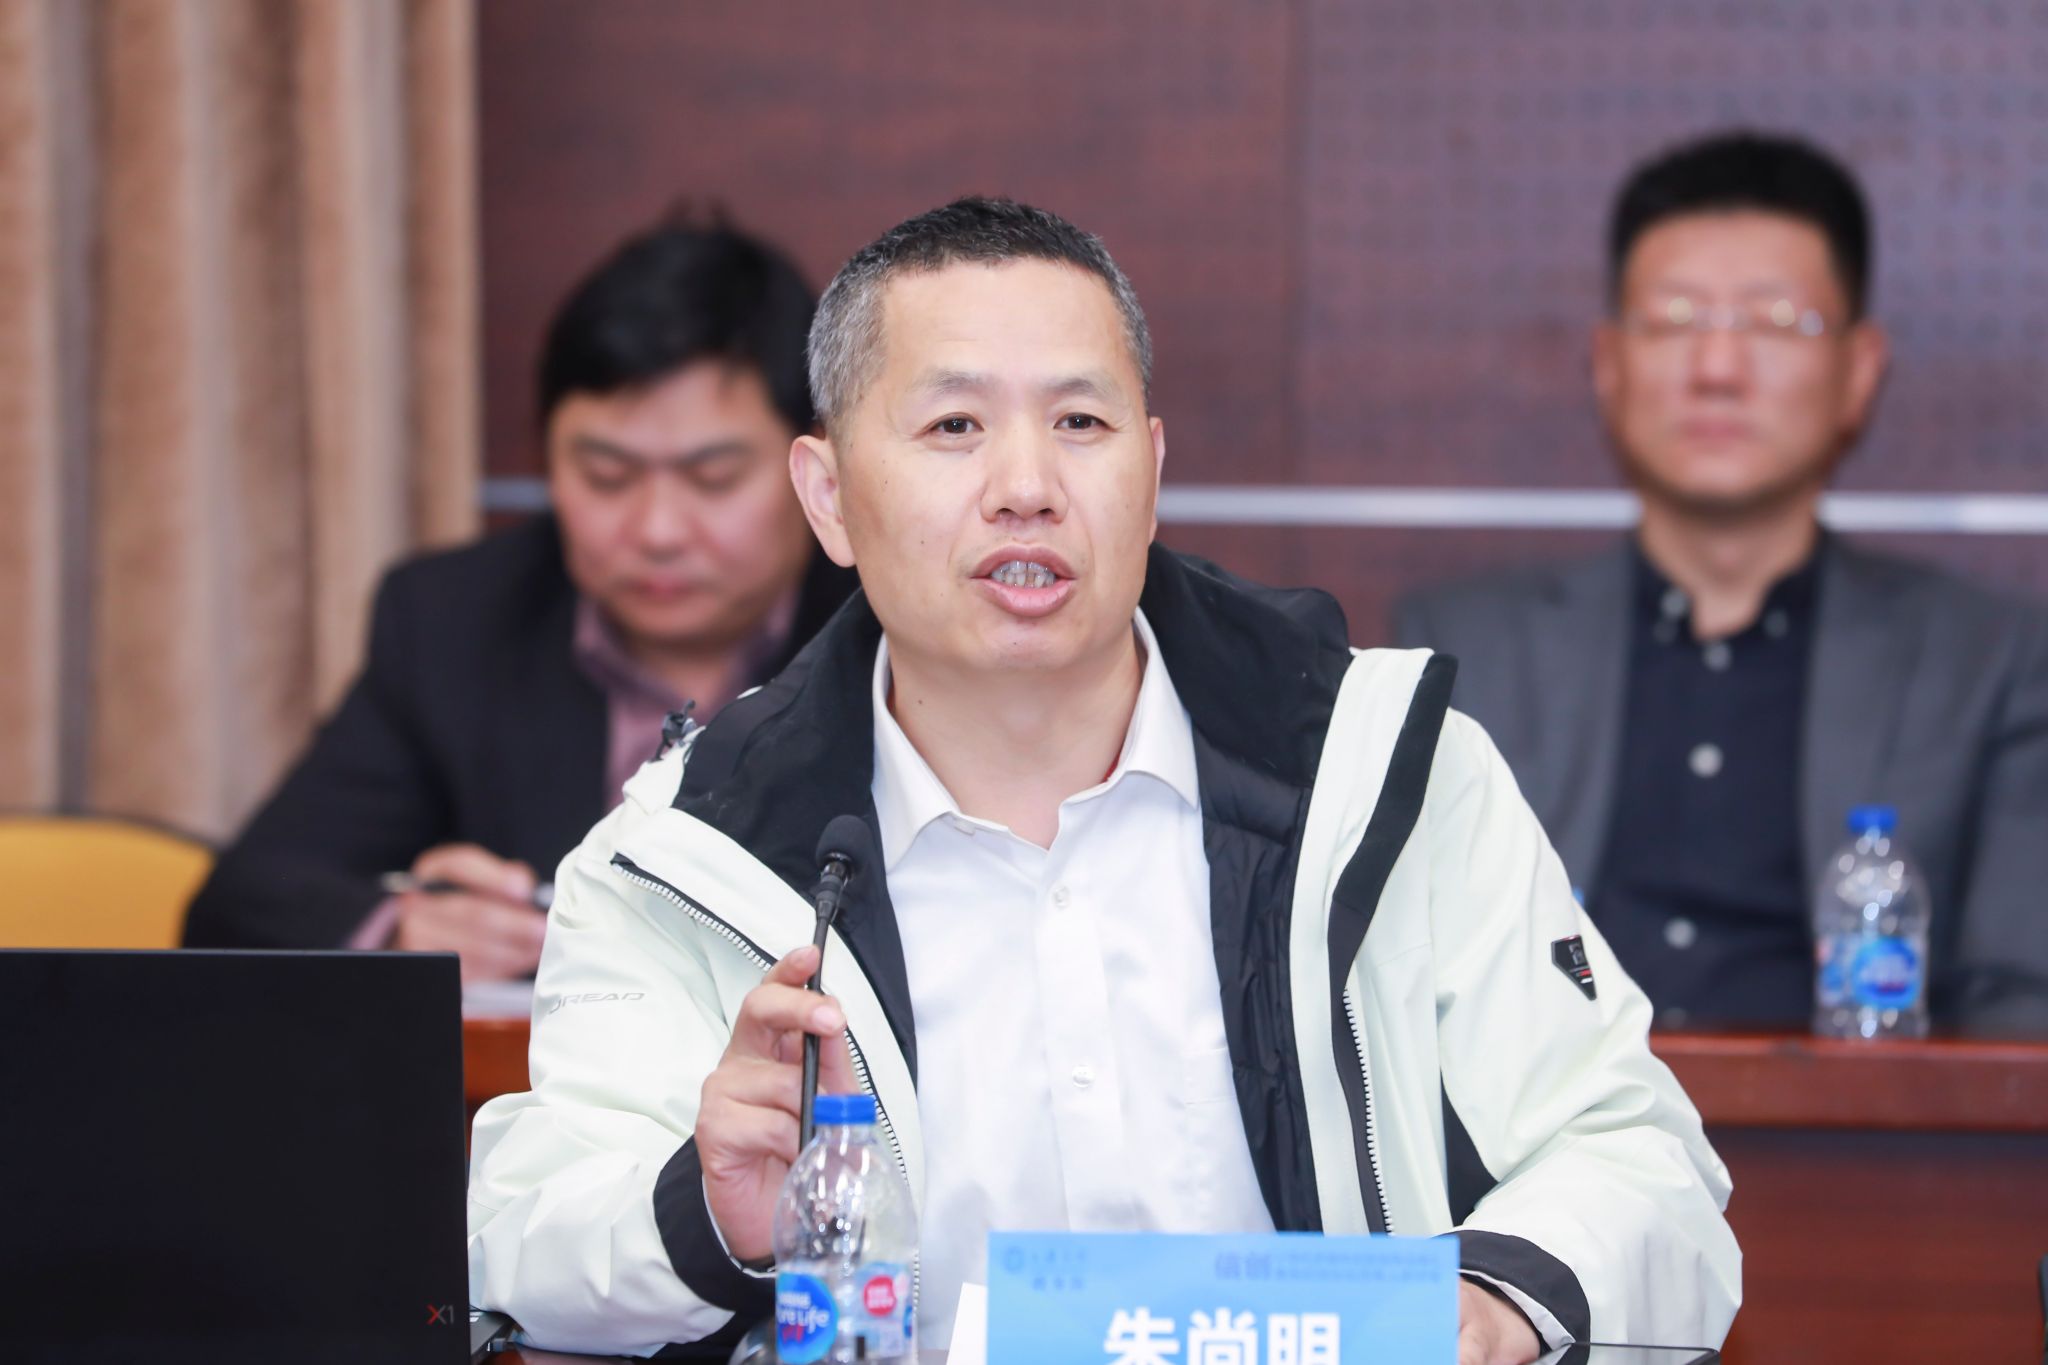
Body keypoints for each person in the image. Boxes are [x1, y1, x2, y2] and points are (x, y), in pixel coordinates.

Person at [467, 198, 1739, 1362]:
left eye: (1079, 424)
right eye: (953, 427)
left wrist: (1492, 1302)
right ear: (830, 497)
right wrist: (706, 1215)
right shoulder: (689, 856)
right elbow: (518, 1245)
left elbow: (1638, 1163)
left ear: (1150, 470)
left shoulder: (1383, 778)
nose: (1026, 488)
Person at [1395, 131, 2048, 1035]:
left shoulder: (1988, 661)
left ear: (1860, 370)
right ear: (1608, 365)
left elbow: (2020, 1008)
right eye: (1673, 320)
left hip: (1855, 1125)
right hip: (1534, 1127)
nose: (1717, 370)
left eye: (1774, 321)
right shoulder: (1464, 652)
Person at [182, 217, 857, 980]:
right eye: (606, 475)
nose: (658, 530)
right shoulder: (454, 621)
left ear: (815, 469)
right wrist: (402, 928)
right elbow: (242, 903)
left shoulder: (892, 626)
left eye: (713, 478)